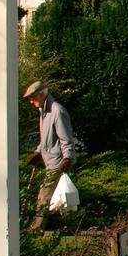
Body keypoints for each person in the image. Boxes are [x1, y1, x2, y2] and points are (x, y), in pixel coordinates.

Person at [23, 81, 76, 230]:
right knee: (60, 198)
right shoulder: (44, 112)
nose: (31, 101)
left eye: (33, 98)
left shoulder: (57, 111)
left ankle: (36, 229)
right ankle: (67, 227)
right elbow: (46, 139)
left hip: (58, 163)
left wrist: (67, 159)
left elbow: (66, 139)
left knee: (44, 197)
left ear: (42, 94)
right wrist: (37, 152)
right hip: (51, 162)